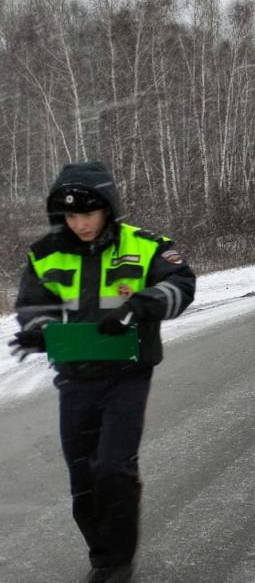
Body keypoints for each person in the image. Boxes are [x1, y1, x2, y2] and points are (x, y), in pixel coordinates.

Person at [8, 161, 196, 583]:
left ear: (108, 208)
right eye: (70, 215)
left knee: (113, 467)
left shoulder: (146, 245)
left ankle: (118, 561)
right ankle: (101, 555)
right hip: (75, 378)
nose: (80, 223)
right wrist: (40, 333)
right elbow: (33, 304)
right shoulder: (45, 252)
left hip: (127, 374)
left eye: (88, 213)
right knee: (84, 475)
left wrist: (137, 307)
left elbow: (180, 285)